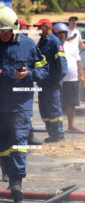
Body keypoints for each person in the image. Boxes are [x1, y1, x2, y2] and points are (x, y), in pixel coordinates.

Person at [0, 7, 49, 202]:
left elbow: (44, 70)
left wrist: (29, 74)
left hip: (20, 104)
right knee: (3, 145)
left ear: (13, 29)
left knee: (19, 142)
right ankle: (11, 177)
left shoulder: (28, 45)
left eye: (5, 31)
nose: (2, 35)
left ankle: (18, 180)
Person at [33, 19, 68, 143]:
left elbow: (62, 63)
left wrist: (58, 79)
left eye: (40, 27)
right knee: (44, 110)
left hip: (53, 82)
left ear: (47, 27)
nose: (38, 30)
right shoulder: (42, 42)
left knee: (54, 109)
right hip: (43, 82)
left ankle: (58, 134)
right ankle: (51, 133)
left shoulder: (54, 42)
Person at [53, 23, 85, 131]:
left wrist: (81, 76)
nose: (62, 36)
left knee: (71, 103)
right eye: (59, 34)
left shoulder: (71, 46)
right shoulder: (54, 46)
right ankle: (58, 127)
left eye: (63, 34)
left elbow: (78, 62)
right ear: (55, 34)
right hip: (59, 80)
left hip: (72, 80)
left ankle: (71, 125)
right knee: (57, 104)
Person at [18, 18, 42, 146]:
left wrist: (32, 74)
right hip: (12, 87)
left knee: (28, 113)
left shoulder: (30, 44)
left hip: (26, 86)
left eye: (28, 27)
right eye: (24, 27)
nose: (27, 30)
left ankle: (29, 136)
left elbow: (41, 67)